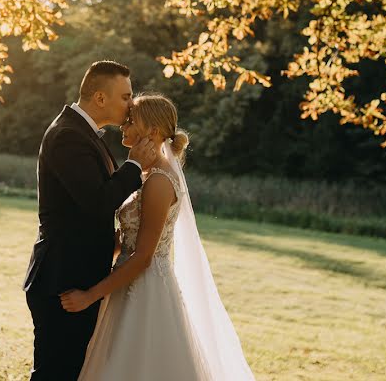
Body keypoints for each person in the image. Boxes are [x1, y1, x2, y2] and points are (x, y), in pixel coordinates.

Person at [60, 93, 255, 381]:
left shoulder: (160, 182)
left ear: (151, 131)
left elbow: (143, 256)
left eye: (131, 121)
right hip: (126, 282)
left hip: (145, 287)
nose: (123, 126)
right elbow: (127, 240)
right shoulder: (147, 176)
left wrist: (90, 296)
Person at [22, 61, 158, 381]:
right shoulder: (69, 136)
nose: (130, 104)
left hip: (78, 274)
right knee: (55, 373)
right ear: (100, 98)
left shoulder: (86, 135)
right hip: (62, 278)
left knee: (70, 371)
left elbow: (86, 212)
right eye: (125, 97)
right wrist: (135, 167)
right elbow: (98, 202)